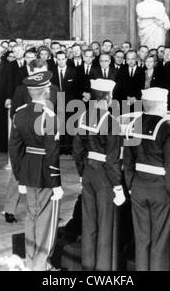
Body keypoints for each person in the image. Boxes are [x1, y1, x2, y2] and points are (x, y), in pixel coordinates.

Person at [123, 87, 170, 271]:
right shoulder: (168, 129)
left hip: (138, 187)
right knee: (161, 239)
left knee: (142, 239)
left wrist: (131, 185)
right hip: (160, 190)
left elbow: (128, 160)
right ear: (161, 106)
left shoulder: (133, 125)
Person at [8, 70, 63, 271]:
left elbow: (14, 149)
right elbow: (52, 153)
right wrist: (56, 183)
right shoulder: (50, 116)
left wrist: (19, 176)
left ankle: (31, 262)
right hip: (46, 173)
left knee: (31, 217)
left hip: (27, 170)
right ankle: (41, 266)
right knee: (46, 222)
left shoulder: (20, 113)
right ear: (46, 91)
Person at [73, 79, 125, 271]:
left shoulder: (84, 117)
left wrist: (81, 173)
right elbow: (112, 159)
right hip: (104, 176)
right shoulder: (111, 122)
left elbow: (77, 149)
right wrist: (118, 186)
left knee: (89, 223)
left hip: (87, 172)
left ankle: (87, 266)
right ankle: (103, 270)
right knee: (105, 225)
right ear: (109, 97)